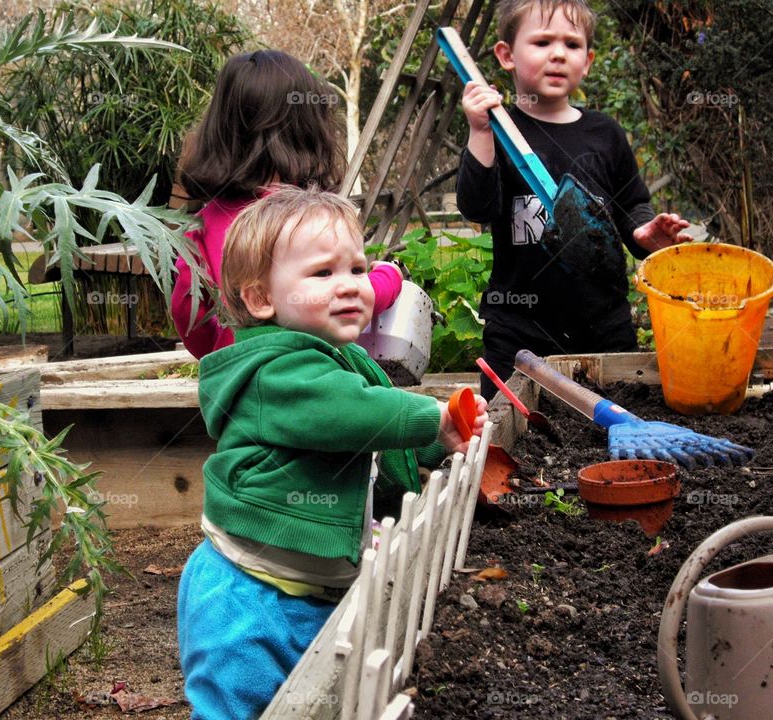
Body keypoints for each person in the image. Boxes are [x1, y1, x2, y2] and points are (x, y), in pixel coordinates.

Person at [177, 185, 488, 720]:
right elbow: (351, 413)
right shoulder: (275, 370)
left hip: (312, 590)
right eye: (323, 274)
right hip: (249, 595)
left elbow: (377, 453)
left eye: (358, 269)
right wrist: (432, 419)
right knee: (235, 704)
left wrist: (435, 454)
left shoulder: (344, 360)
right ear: (260, 299)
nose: (350, 287)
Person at [456, 0, 694, 399]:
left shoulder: (606, 134)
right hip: (518, 333)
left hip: (605, 329)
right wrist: (479, 131)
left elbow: (631, 203)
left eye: (572, 44)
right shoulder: (498, 131)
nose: (557, 54)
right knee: (511, 437)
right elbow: (476, 206)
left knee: (612, 433)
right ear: (506, 55)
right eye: (542, 41)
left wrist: (642, 233)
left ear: (587, 61)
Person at [170, 49, 404, 359]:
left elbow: (189, 315)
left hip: (236, 381)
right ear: (308, 127)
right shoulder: (307, 220)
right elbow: (347, 294)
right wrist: (389, 277)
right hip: (308, 376)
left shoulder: (199, 226)